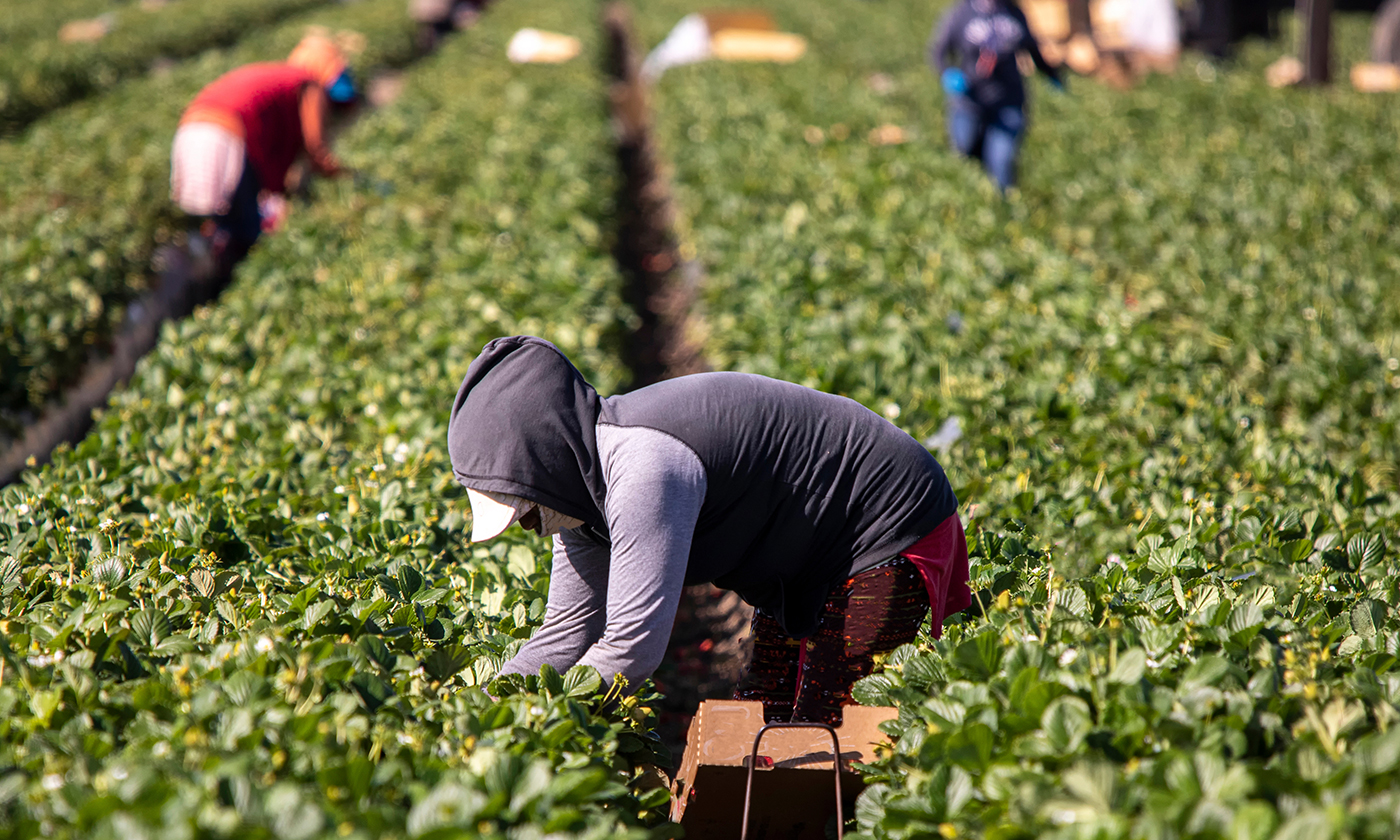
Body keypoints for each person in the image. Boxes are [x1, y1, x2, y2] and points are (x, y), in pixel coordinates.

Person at [448, 336, 972, 725]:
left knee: (827, 732)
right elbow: (566, 634)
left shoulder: (645, 469)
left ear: (546, 462)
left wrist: (537, 722)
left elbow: (632, 649)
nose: (530, 527)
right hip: (808, 551)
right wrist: (481, 704)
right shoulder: (581, 499)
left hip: (891, 523)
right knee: (766, 715)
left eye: (525, 509)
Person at [170, 35, 355, 279]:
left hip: (191, 131)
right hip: (225, 137)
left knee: (227, 224)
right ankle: (237, 284)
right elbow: (316, 149)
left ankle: (221, 287)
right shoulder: (308, 85)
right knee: (246, 233)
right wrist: (341, 174)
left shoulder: (278, 76)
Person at [929, 0, 1063, 192]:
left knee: (1001, 161)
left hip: (1009, 102)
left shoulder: (1014, 13)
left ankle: (1005, 209)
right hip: (969, 103)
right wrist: (947, 73)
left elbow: (1032, 48)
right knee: (964, 154)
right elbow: (938, 52)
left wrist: (1053, 75)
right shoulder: (960, 13)